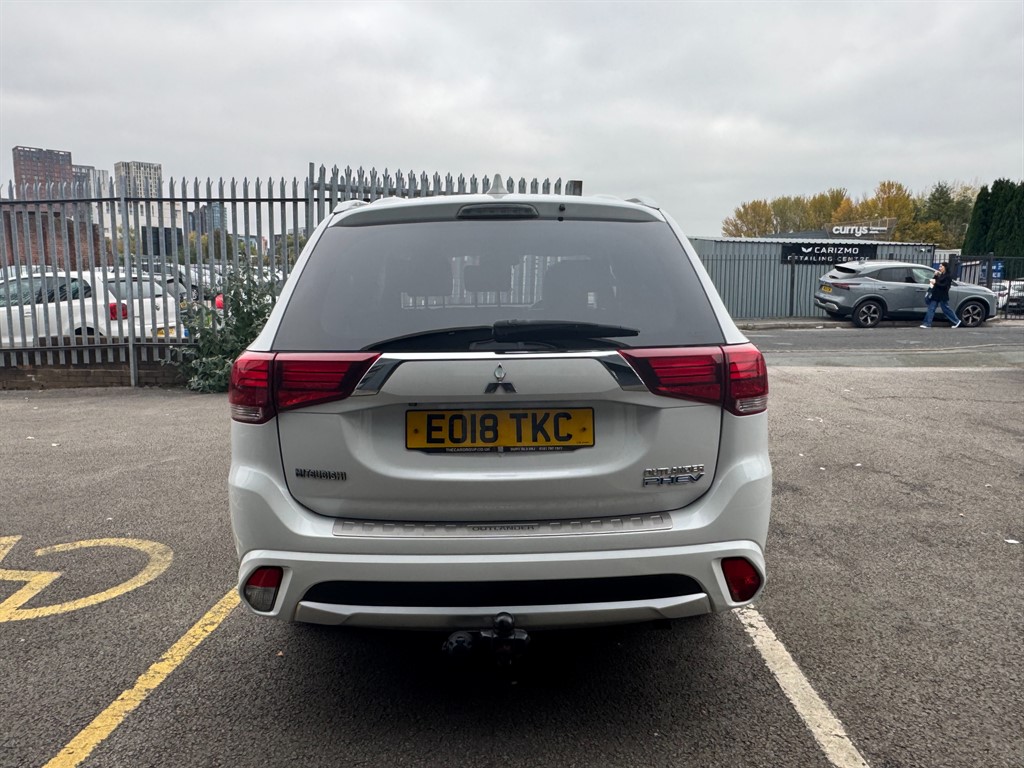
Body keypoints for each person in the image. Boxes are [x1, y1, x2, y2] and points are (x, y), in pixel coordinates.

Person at [920, 262, 961, 328]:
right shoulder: (941, 275)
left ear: (945, 267)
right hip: (936, 294)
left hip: (942, 295)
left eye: (941, 266)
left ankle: (956, 321)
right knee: (931, 308)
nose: (939, 268)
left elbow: (944, 286)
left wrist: (935, 283)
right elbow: (934, 282)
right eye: (939, 267)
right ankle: (927, 323)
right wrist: (935, 276)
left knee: (946, 309)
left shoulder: (948, 276)